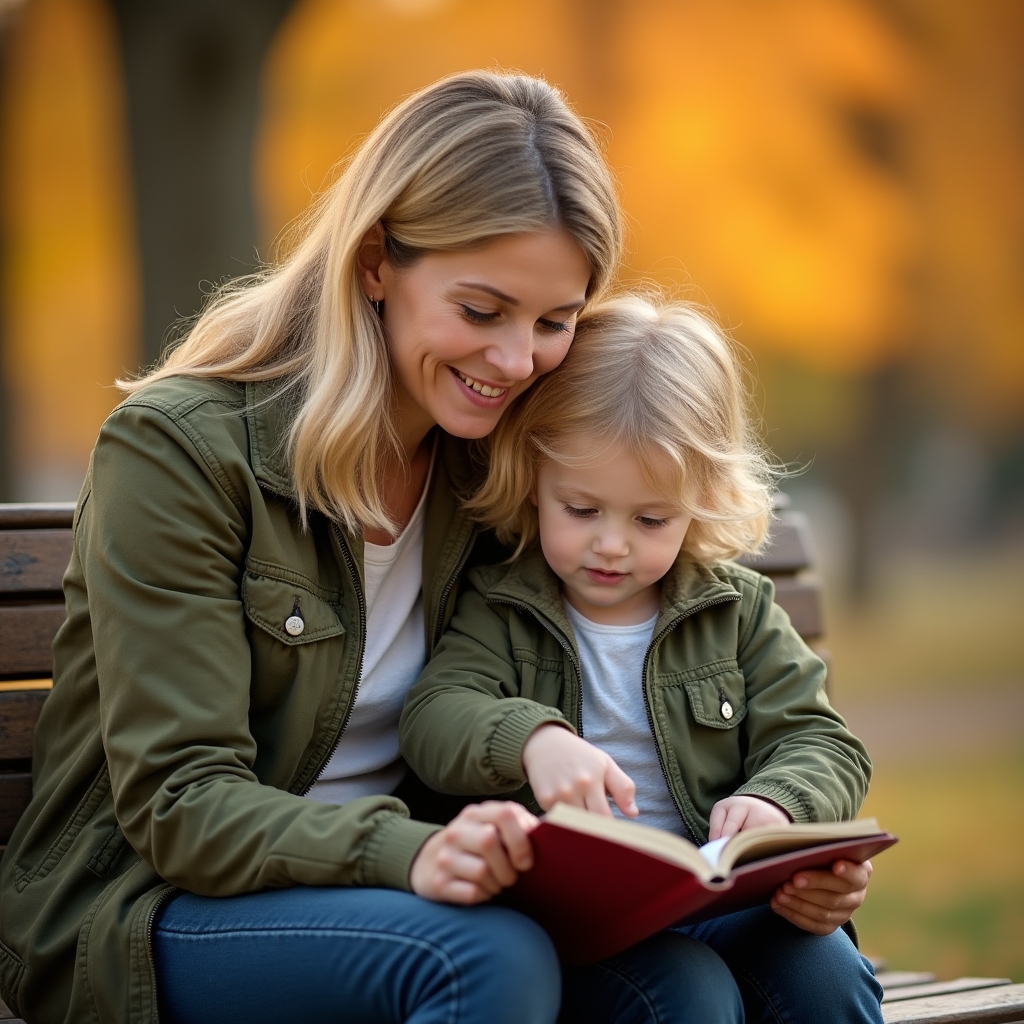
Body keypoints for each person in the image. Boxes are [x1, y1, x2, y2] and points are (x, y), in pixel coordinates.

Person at [0, 71, 623, 1024]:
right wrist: (409, 853)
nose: (515, 361)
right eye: (482, 311)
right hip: (149, 908)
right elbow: (182, 803)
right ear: (376, 261)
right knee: (482, 963)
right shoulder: (182, 451)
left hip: (418, 889)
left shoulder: (501, 463)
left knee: (688, 981)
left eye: (555, 322)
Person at [400, 293, 885, 1024]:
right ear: (534, 477)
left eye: (651, 519)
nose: (612, 544)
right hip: (576, 931)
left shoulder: (737, 611)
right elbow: (434, 719)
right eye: (582, 509)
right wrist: (533, 739)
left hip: (724, 900)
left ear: (702, 500)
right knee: (691, 995)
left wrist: (781, 803)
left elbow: (822, 743)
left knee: (828, 978)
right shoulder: (501, 607)